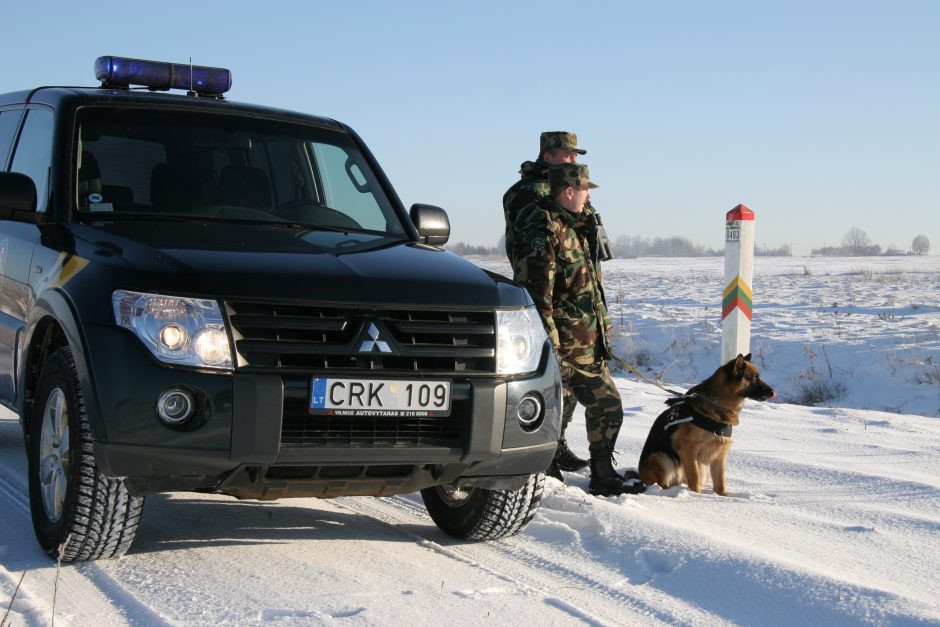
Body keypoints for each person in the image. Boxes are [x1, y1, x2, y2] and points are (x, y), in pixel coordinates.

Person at [510, 163, 644, 496]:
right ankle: (582, 471)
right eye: (585, 190)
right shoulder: (546, 231)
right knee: (603, 403)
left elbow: (587, 287)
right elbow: (538, 295)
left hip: (587, 340)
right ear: (569, 191)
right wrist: (551, 347)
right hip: (566, 344)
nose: (588, 197)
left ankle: (575, 468)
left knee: (572, 406)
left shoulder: (578, 227)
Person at [503, 132, 612, 477]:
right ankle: (544, 450)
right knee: (558, 382)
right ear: (550, 156)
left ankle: (557, 444)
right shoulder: (526, 193)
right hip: (549, 289)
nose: (574, 162)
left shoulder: (570, 188)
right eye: (569, 156)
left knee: (573, 386)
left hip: (580, 298)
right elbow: (539, 248)